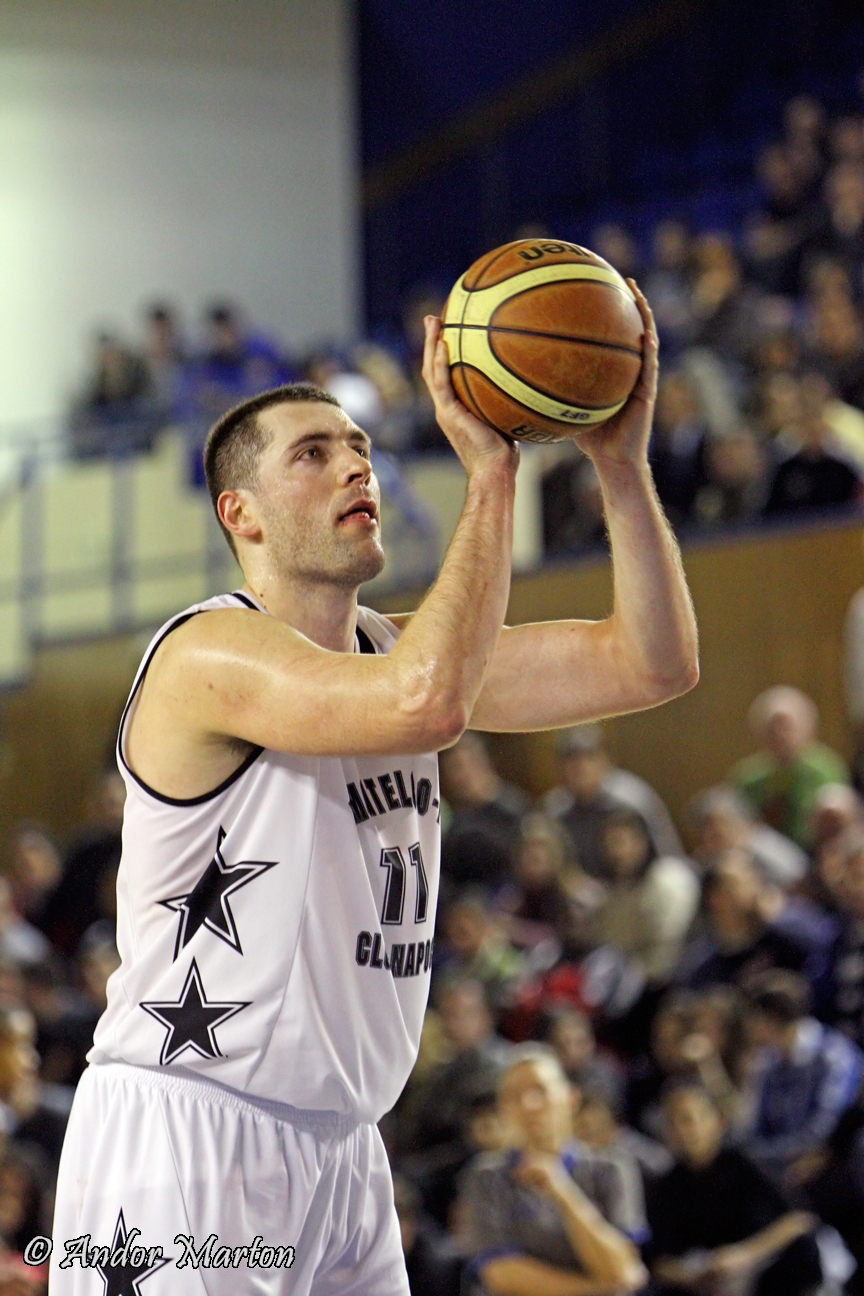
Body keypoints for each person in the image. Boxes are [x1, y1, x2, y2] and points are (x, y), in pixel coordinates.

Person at [51, 289, 698, 1294]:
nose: (357, 465)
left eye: (359, 445)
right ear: (240, 513)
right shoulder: (203, 651)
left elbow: (651, 662)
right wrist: (493, 474)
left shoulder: (398, 653)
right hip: (189, 1131)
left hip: (345, 1149)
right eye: (313, 453)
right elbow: (424, 704)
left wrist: (620, 465)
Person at [461, 1046, 648, 1295]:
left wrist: (562, 1192)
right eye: (514, 1096)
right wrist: (596, 1289)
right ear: (502, 1108)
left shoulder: (612, 1167)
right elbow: (501, 1274)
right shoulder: (487, 1176)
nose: (529, 1104)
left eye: (540, 1090)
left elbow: (620, 1266)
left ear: (571, 1098)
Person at [647, 1079, 822, 1296]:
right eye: (671, 1123)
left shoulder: (748, 1163)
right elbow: (660, 1260)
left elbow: (800, 1219)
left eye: (687, 1120)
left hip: (767, 1271)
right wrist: (691, 1276)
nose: (681, 1131)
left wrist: (746, 1254)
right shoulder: (667, 1185)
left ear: (717, 1121)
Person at [743, 970, 862, 1188]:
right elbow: (754, 1127)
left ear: (772, 1017)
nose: (747, 1026)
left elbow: (825, 1129)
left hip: (833, 1161)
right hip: (779, 1164)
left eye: (752, 1018)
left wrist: (767, 1153)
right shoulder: (767, 1063)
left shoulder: (834, 1056)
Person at [545, 723, 682, 879]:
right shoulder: (555, 807)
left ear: (605, 760)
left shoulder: (632, 796)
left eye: (589, 756)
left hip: (641, 884)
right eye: (571, 759)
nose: (580, 767)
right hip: (589, 889)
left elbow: (669, 856)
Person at [730, 685, 850, 849]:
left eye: (785, 726)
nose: (779, 734)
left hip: (815, 849)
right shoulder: (748, 776)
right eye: (771, 728)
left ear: (806, 727)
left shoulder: (825, 769)